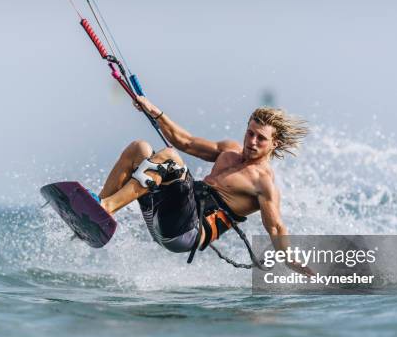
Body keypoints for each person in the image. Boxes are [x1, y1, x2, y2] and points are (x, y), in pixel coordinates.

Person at [97, 96, 312, 273]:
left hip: (187, 233)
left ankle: (106, 207)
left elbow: (276, 227)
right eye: (250, 133)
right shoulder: (228, 151)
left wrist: (293, 262)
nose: (252, 141)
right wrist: (153, 110)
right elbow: (186, 142)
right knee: (140, 148)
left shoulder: (263, 182)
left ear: (275, 144)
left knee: (171, 158)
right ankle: (96, 210)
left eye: (261, 138)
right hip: (164, 217)